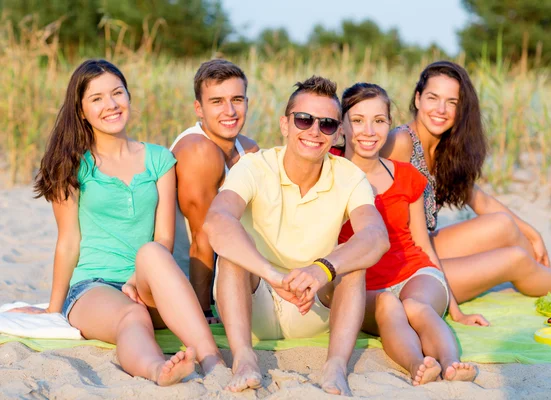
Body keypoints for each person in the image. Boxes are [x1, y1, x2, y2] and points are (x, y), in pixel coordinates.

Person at [10, 59, 224, 385]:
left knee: (152, 252)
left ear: (128, 96)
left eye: (117, 93)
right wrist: (54, 309)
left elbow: (164, 236)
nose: (111, 105)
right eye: (97, 99)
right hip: (94, 288)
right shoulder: (72, 166)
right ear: (81, 110)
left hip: (150, 284)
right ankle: (157, 369)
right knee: (132, 315)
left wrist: (139, 278)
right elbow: (68, 242)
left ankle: (214, 363)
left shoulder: (159, 160)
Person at [203, 76, 389, 396]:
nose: (314, 131)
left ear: (338, 133)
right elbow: (216, 221)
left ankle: (335, 366)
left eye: (327, 124)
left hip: (311, 303)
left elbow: (376, 236)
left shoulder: (349, 176)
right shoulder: (253, 166)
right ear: (285, 125)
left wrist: (322, 269)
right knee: (234, 254)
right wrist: (273, 275)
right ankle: (245, 359)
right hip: (254, 299)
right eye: (304, 120)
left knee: (354, 260)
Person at [381, 60, 551, 303]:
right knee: (515, 259)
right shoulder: (400, 142)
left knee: (503, 224)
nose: (441, 109)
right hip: (399, 266)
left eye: (452, 102)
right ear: (418, 99)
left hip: (422, 246)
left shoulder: (443, 150)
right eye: (433, 98)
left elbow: (481, 201)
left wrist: (533, 233)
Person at [336, 82, 483, 385]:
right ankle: (419, 364)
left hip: (415, 272)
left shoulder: (406, 175)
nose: (369, 130)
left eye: (379, 121)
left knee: (417, 307)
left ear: (389, 124)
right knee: (390, 308)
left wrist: (455, 310)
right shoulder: (330, 175)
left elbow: (422, 243)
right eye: (358, 120)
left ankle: (452, 364)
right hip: (364, 286)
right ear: (341, 126)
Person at [170, 59, 258, 323]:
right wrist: (203, 311)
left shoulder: (248, 149)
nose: (229, 111)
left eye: (237, 99)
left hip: (228, 276)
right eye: (217, 101)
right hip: (186, 285)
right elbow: (202, 237)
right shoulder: (199, 150)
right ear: (199, 108)